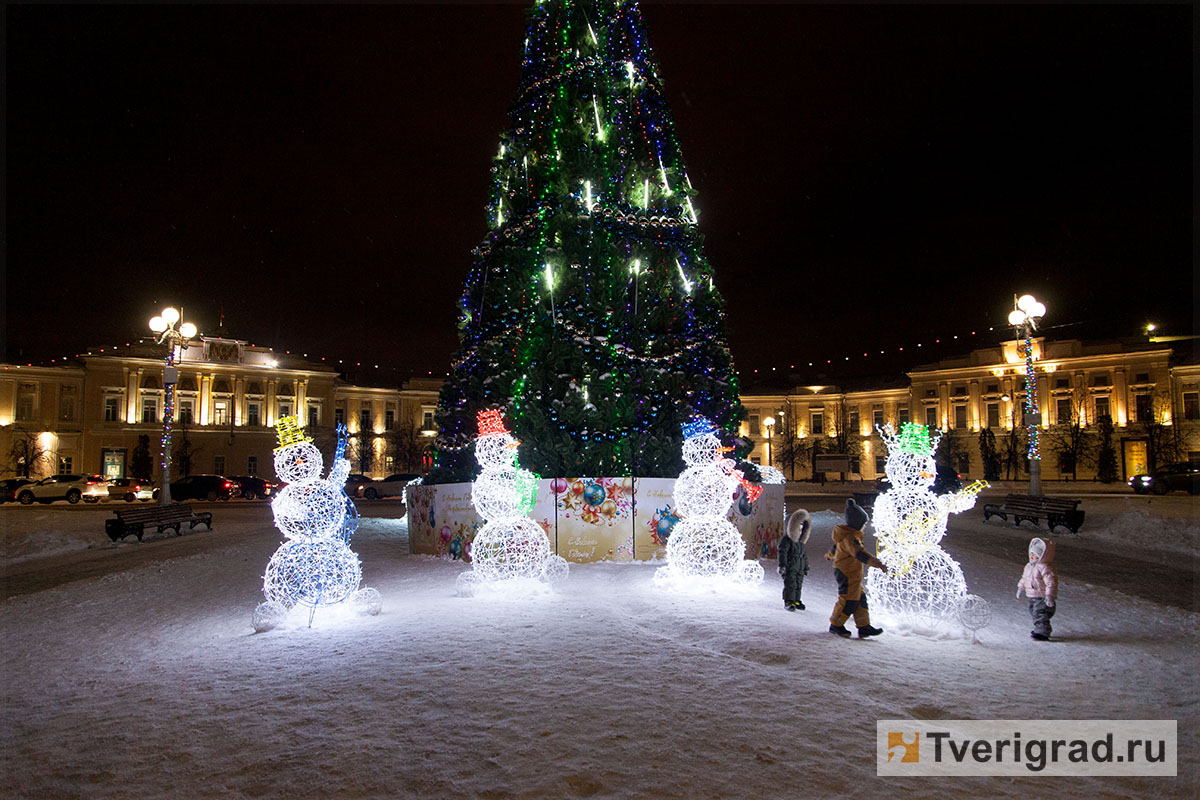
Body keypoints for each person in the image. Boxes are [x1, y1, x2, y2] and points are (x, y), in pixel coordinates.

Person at [826, 498, 888, 638]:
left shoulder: (847, 536)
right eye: (864, 523)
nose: (865, 526)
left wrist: (829, 555)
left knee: (860, 599)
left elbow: (835, 549)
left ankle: (864, 626)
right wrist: (878, 564)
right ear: (857, 523)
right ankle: (836, 625)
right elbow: (860, 554)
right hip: (847, 573)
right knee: (849, 599)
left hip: (852, 573)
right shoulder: (851, 539)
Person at [1016, 537, 1058, 640]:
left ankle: (1043, 632)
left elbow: (1051, 582)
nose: (1032, 556)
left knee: (1040, 614)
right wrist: (1020, 587)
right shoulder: (1029, 566)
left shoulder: (1045, 567)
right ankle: (1040, 628)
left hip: (1042, 596)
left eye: (1035, 555)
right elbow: (1025, 578)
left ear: (1041, 556)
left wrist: (1049, 596)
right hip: (1032, 595)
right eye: (1031, 553)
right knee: (1035, 613)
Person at [778, 509, 811, 610]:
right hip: (790, 566)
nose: (800, 529)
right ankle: (788, 601)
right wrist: (782, 565)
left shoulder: (800, 542)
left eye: (802, 527)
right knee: (790, 584)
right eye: (799, 526)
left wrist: (806, 566)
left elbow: (803, 555)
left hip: (799, 567)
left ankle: (796, 599)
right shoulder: (787, 540)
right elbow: (782, 552)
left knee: (798, 584)